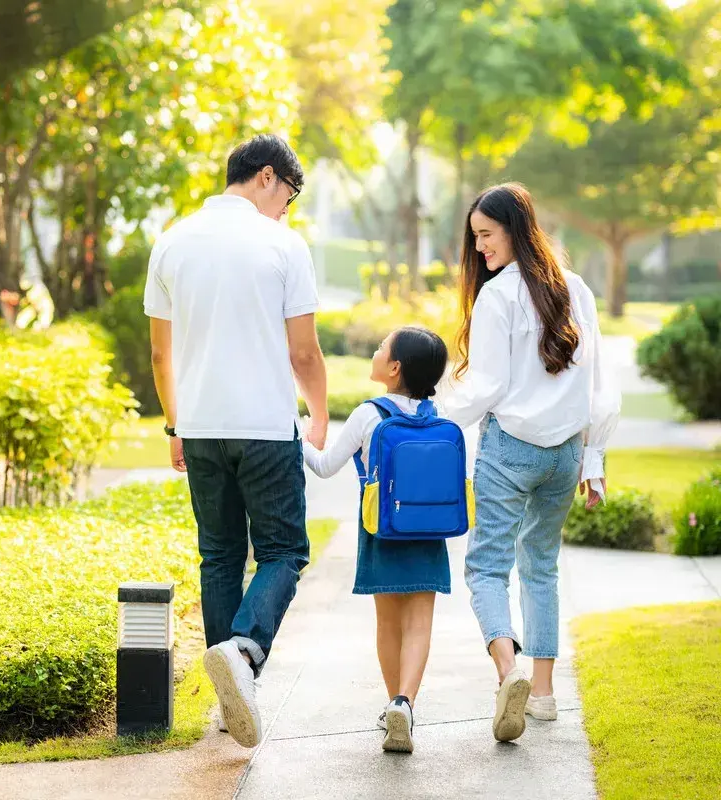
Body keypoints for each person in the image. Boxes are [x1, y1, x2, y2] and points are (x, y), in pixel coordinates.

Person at [144, 134, 329, 748]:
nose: (286, 211)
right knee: (283, 551)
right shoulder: (282, 244)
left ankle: (230, 703)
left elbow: (159, 352)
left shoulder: (171, 241)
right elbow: (303, 351)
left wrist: (175, 423)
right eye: (289, 198)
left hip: (199, 427)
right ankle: (245, 654)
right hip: (265, 428)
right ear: (269, 178)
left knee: (220, 555)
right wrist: (321, 415)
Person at [443, 183, 620, 743]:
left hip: (510, 450)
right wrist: (593, 457)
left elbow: (488, 386)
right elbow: (598, 385)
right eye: (475, 238)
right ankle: (542, 696)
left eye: (486, 236)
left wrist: (438, 406)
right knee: (541, 567)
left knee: (487, 568)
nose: (480, 249)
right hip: (565, 454)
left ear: (515, 230)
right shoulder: (576, 289)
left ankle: (508, 671)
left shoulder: (498, 298)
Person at [301, 326, 452, 754]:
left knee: (388, 623)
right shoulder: (435, 415)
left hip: (383, 531)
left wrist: (298, 439)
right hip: (428, 531)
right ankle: (406, 701)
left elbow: (326, 466)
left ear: (394, 367)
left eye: (382, 347)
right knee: (420, 624)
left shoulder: (370, 414)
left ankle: (393, 707)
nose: (375, 350)